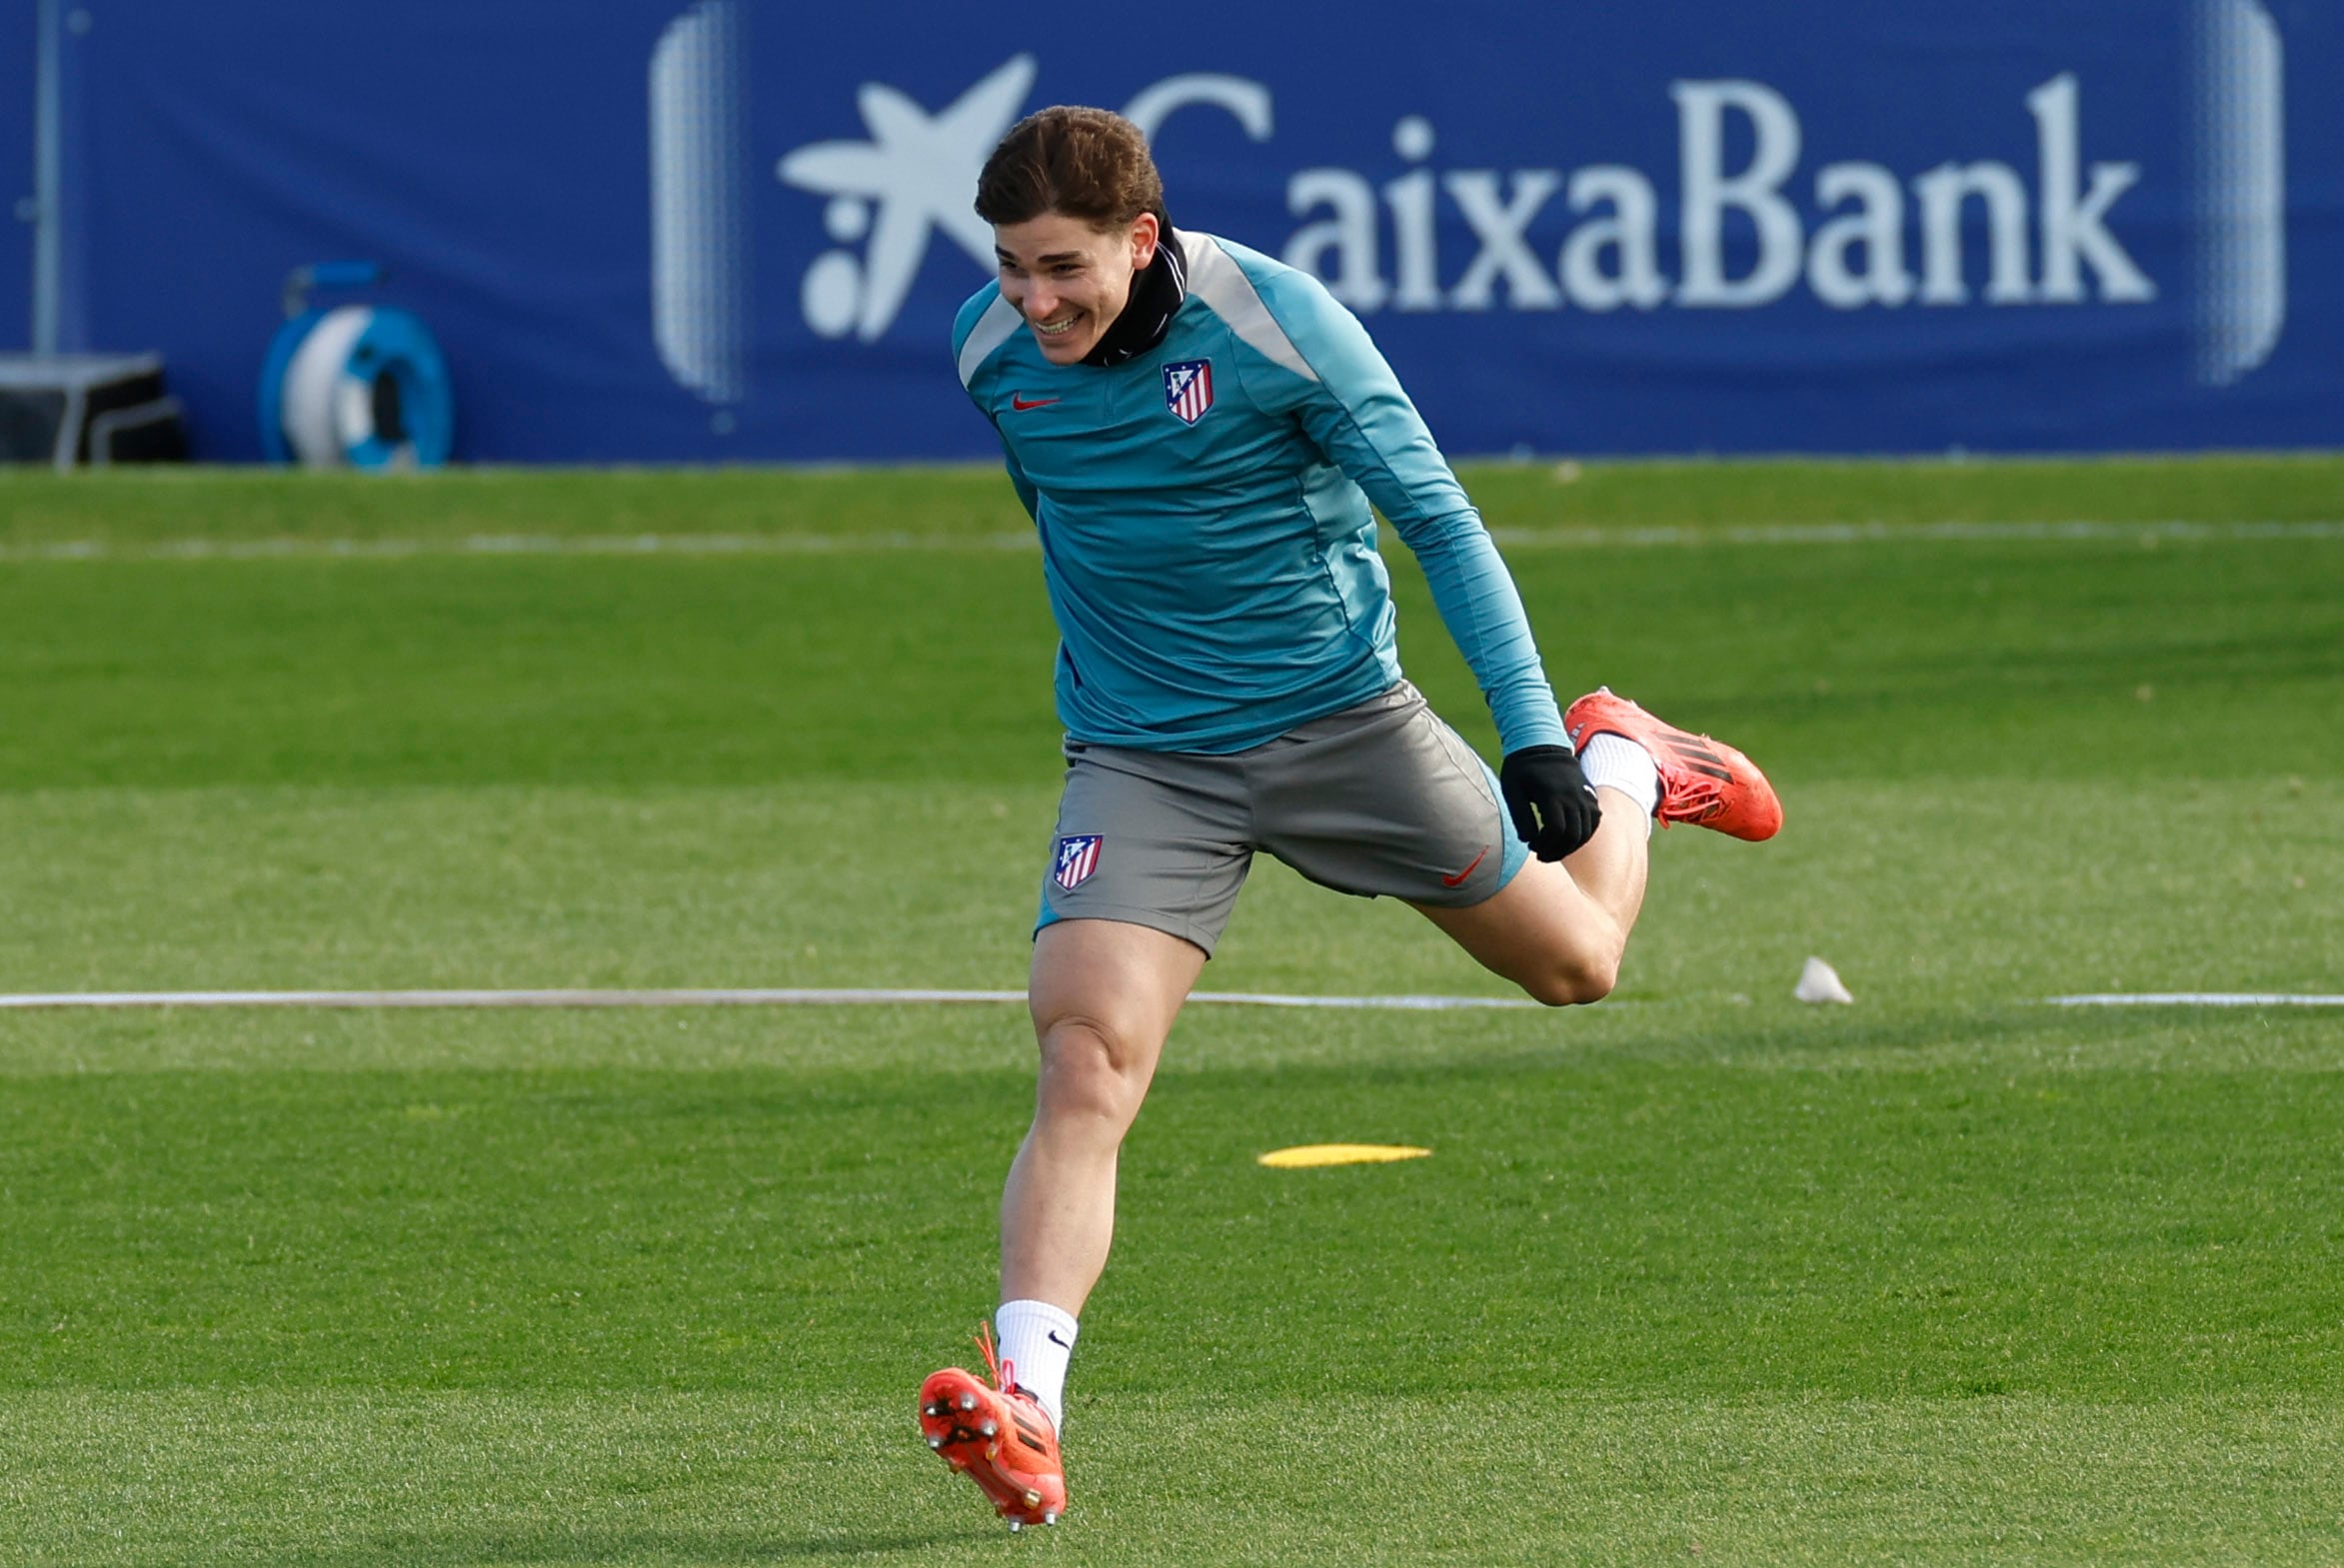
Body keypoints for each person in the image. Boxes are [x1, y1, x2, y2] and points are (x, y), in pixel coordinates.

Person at [917, 106, 1780, 1532]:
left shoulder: (1281, 323)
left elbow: (1437, 519)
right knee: (1084, 1057)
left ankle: (1626, 761)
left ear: (1144, 238)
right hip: (1146, 759)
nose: (1031, 300)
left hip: (1345, 730)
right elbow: (1063, 511)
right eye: (1009, 266)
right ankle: (1028, 1405)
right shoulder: (987, 353)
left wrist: (1532, 735)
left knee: (1577, 967)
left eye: (1061, 266)